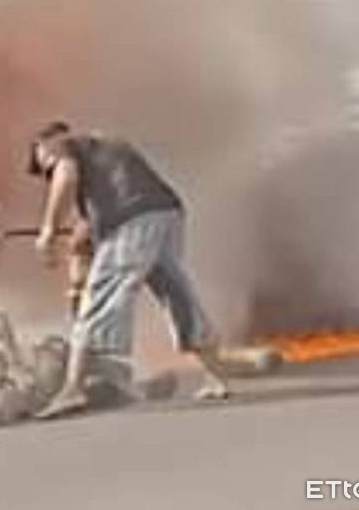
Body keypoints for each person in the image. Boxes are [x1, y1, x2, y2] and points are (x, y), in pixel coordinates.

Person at [27, 121, 228, 419]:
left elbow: (66, 176)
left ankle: (73, 390)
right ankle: (217, 377)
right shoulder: (104, 146)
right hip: (166, 213)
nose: (46, 172)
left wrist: (48, 232)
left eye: (44, 166)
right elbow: (105, 203)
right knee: (177, 295)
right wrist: (84, 229)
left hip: (132, 222)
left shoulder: (62, 147)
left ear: (44, 144)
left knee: (101, 296)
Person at [0, 309, 136, 428]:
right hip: (35, 394)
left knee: (69, 361)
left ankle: (115, 373)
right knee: (101, 389)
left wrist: (14, 364)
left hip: (41, 362)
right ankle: (108, 384)